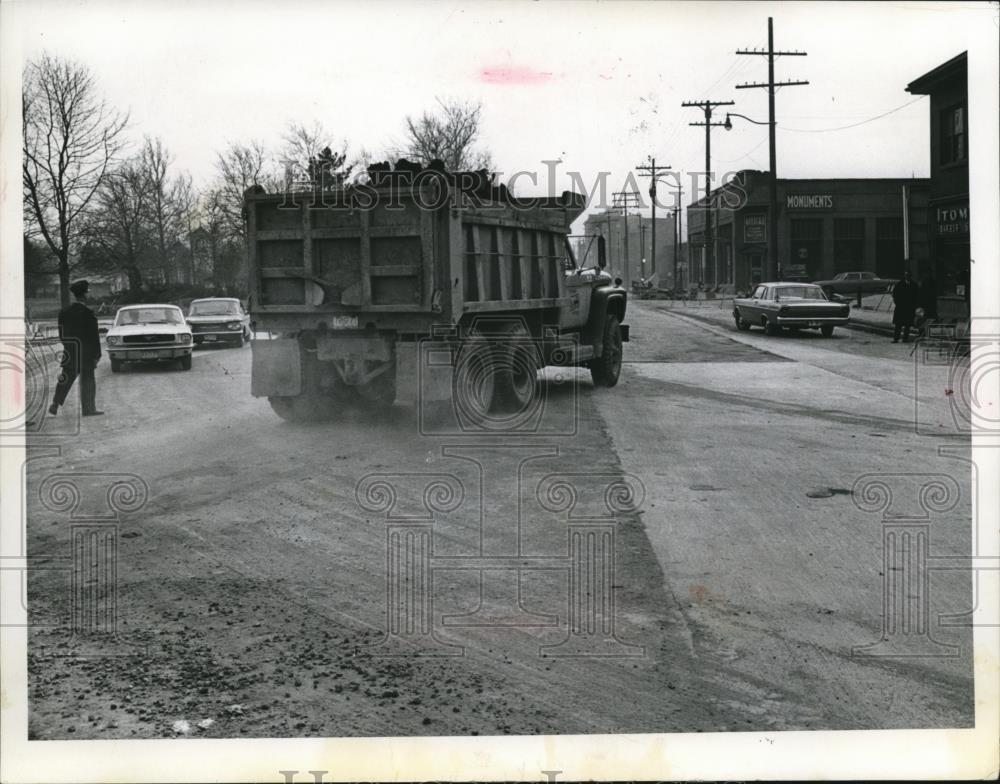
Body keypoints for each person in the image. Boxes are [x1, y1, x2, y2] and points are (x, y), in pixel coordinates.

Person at [48, 280, 104, 417]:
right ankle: (88, 409)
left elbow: (62, 334)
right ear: (84, 295)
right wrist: (97, 355)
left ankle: (55, 404)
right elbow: (94, 337)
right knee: (88, 381)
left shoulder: (64, 312)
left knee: (65, 379)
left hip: (71, 352)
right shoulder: (88, 313)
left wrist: (69, 347)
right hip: (86, 354)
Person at [891, 270, 918, 344]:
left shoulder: (914, 285)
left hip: (909, 307)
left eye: (909, 275)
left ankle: (905, 339)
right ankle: (896, 338)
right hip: (901, 307)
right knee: (898, 324)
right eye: (906, 275)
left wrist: (914, 305)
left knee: (907, 324)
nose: (907, 277)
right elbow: (895, 294)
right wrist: (897, 303)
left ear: (910, 276)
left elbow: (916, 296)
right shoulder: (899, 284)